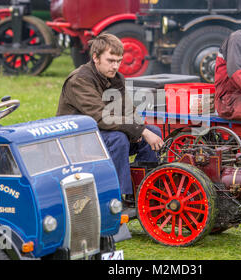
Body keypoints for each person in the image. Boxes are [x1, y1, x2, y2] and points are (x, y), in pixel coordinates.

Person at [56, 33, 164, 202]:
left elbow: (128, 111)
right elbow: (101, 117)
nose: (115, 66)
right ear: (95, 58)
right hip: (76, 141)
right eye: (110, 60)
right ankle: (116, 198)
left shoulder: (115, 78)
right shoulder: (79, 80)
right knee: (119, 138)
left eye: (119, 61)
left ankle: (144, 191)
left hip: (101, 134)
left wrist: (138, 131)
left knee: (154, 131)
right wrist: (139, 130)